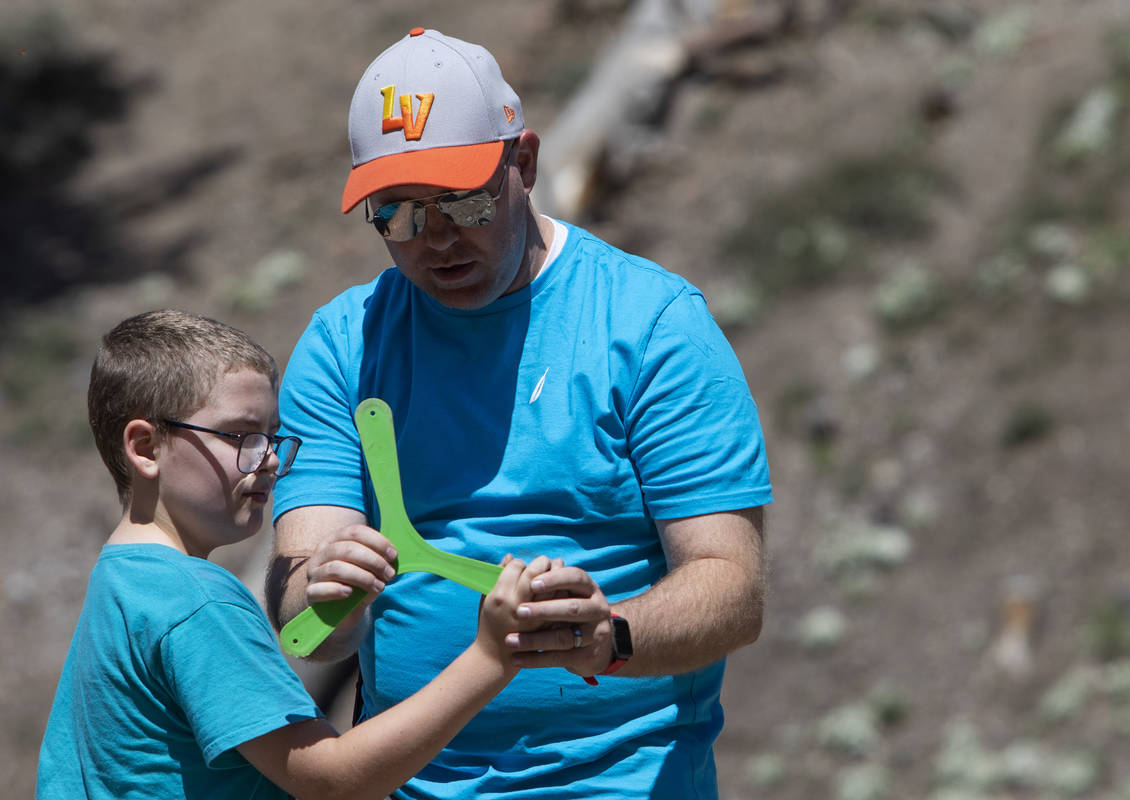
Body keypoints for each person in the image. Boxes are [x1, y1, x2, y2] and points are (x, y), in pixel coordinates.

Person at [266, 27, 774, 799]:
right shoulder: (345, 343)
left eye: (462, 201)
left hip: (620, 777)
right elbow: (305, 612)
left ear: (524, 165)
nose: (435, 240)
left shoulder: (651, 325)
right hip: (411, 780)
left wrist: (610, 639)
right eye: (397, 214)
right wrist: (324, 593)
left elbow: (732, 591)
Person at [37, 309, 551, 800]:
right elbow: (332, 781)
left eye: (272, 437)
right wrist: (491, 658)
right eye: (240, 435)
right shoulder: (197, 604)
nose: (269, 460)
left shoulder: (121, 581)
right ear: (145, 448)